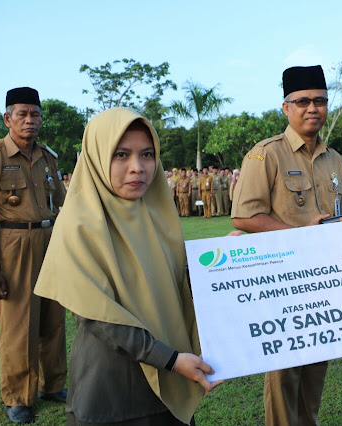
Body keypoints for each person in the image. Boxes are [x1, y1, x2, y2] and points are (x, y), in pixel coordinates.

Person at [33, 108, 220, 425]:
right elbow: (100, 316)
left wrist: (231, 259)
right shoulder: (78, 225)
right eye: (121, 154)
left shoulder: (156, 215)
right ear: (96, 157)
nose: (138, 168)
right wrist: (170, 360)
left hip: (172, 380)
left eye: (147, 154)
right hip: (113, 392)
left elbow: (178, 282)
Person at [231, 65, 342, 426]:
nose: (313, 108)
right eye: (303, 101)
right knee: (284, 375)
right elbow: (245, 216)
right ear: (286, 107)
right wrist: (298, 236)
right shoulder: (266, 154)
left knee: (316, 370)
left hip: (325, 279)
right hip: (283, 282)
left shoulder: (335, 160)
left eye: (320, 101)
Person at [0, 87, 68, 423]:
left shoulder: (49, 157)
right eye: (22, 114)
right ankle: (18, 396)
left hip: (51, 240)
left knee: (53, 318)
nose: (30, 120)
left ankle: (53, 384)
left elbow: (63, 206)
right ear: (8, 118)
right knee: (19, 324)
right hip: (14, 242)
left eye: (35, 114)